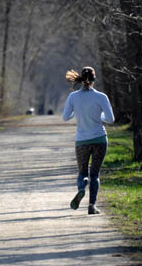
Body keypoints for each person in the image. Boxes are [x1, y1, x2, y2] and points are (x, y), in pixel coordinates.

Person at [62, 66, 114, 215]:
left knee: (82, 172)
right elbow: (110, 119)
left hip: (82, 141)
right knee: (95, 174)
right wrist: (100, 117)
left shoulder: (73, 97)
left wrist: (77, 113)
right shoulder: (101, 97)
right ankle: (92, 205)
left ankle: (81, 188)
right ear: (94, 79)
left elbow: (65, 117)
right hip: (99, 139)